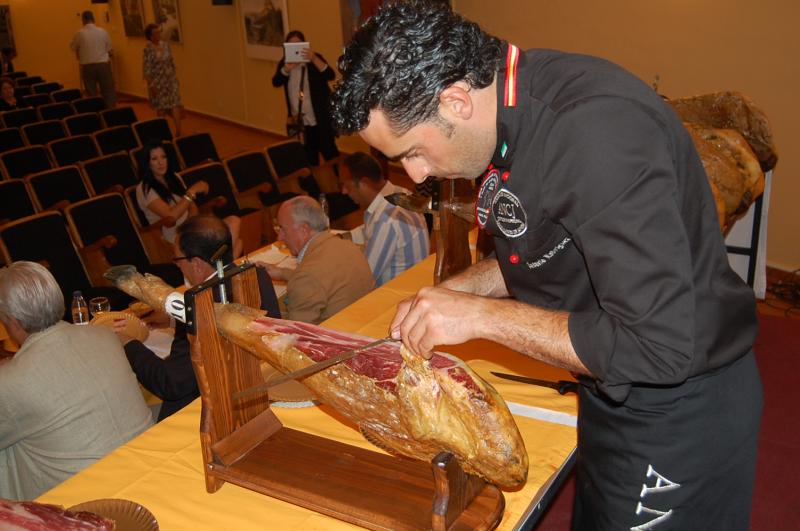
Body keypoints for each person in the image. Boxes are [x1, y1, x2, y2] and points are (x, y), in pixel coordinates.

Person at [331, 2, 762, 529]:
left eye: (414, 151)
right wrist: (468, 288)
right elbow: (550, 240)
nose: (416, 174)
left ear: (457, 100)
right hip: (608, 388)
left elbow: (660, 348)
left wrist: (479, 318)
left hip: (681, 408)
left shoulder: (598, 136)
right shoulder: (512, 105)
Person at [0, 261, 152, 500]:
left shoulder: (10, 382)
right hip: (145, 464)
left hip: (91, 500)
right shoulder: (104, 336)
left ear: (13, 321)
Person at [115, 215, 281, 421]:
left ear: (197, 264)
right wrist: (174, 319)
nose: (177, 265)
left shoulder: (199, 306)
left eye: (178, 259)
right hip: (258, 387)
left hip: (214, 410)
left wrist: (128, 343)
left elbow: (171, 384)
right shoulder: (257, 275)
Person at [261, 196, 373, 324]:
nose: (279, 236)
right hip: (361, 324)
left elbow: (296, 335)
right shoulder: (349, 247)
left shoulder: (307, 277)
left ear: (304, 230)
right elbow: (322, 278)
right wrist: (282, 273)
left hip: (334, 338)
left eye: (283, 229)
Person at [135, 141, 242, 257]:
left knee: (234, 223)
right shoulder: (143, 188)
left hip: (190, 229)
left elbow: (191, 206)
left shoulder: (174, 177)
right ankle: (216, 267)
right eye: (154, 159)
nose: (161, 163)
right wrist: (192, 191)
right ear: (147, 163)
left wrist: (192, 226)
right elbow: (171, 217)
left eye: (163, 157)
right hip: (174, 236)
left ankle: (216, 268)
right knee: (234, 244)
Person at [339, 151, 429, 286]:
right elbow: (371, 229)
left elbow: (364, 277)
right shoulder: (402, 193)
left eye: (347, 185)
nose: (343, 191)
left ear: (364, 183)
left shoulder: (386, 219)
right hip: (416, 283)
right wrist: (343, 237)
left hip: (394, 297)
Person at [272, 30, 339, 166]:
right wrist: (286, 69)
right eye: (291, 45)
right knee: (307, 157)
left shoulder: (314, 60)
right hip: (300, 123)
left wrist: (314, 58)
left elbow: (330, 75)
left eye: (298, 44)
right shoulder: (285, 64)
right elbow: (276, 82)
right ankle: (313, 185)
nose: (295, 49)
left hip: (320, 119)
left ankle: (337, 184)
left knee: (330, 154)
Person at [143, 22, 183, 137]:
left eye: (159, 32)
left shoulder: (165, 45)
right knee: (161, 108)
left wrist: (175, 77)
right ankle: (162, 132)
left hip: (170, 80)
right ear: (151, 36)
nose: (159, 34)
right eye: (156, 33)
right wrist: (152, 85)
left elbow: (171, 61)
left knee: (175, 104)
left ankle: (179, 132)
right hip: (157, 82)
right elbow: (147, 70)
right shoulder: (148, 50)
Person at [70, 10, 116, 108]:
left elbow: (73, 47)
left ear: (83, 20)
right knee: (108, 92)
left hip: (87, 66)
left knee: (91, 93)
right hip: (103, 65)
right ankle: (111, 113)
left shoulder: (79, 34)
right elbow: (109, 48)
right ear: (93, 18)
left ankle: (96, 113)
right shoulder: (103, 31)